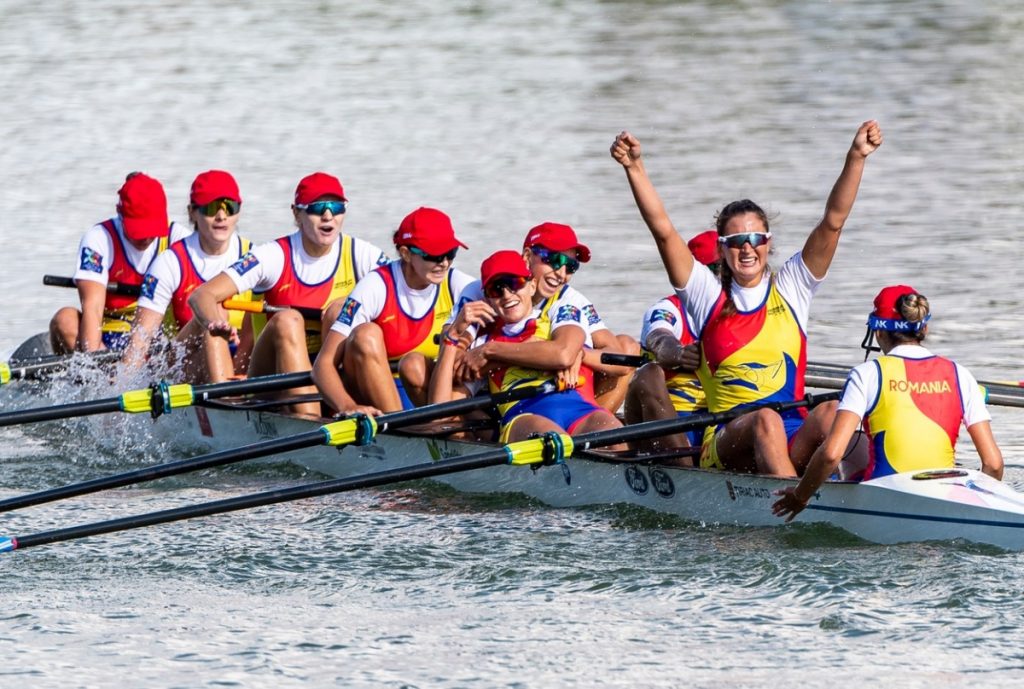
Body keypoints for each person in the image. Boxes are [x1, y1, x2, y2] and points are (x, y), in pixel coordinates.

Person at [611, 120, 883, 476]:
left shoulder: (793, 288)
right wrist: (635, 168)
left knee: (834, 410)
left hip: (791, 430)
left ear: (768, 244)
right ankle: (793, 507)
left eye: (756, 239)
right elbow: (663, 231)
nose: (748, 248)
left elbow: (833, 222)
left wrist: (856, 157)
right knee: (765, 421)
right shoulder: (705, 296)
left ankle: (863, 489)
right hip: (727, 437)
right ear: (722, 250)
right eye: (736, 242)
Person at [772, 285, 1004, 521]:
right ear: (924, 327)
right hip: (944, 500)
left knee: (848, 453)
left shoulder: (867, 374)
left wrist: (799, 497)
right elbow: (993, 464)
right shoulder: (960, 374)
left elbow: (832, 454)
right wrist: (979, 514)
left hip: (882, 504)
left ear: (878, 332)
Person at [188, 171, 388, 415]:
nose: (328, 215)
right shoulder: (272, 255)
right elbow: (202, 295)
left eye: (336, 207)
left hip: (334, 377)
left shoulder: (362, 254)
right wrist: (214, 323)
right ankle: (310, 420)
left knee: (340, 311)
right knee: (288, 320)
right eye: (317, 208)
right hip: (272, 377)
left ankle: (356, 408)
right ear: (296, 213)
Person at [430, 250, 625, 448]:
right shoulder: (481, 345)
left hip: (581, 412)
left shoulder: (563, 315)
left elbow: (563, 355)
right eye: (496, 290)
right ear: (488, 300)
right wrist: (452, 336)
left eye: (515, 284)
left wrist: (500, 355)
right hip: (524, 419)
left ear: (532, 286)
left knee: (615, 435)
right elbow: (440, 414)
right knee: (553, 440)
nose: (507, 295)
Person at [452, 222, 640, 412]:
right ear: (527, 256)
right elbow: (454, 357)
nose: (561, 274)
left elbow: (619, 359)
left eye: (571, 266)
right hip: (489, 392)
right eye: (554, 260)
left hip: (549, 391)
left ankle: (591, 424)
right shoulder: (485, 289)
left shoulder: (570, 299)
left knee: (628, 345)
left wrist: (579, 353)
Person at [313, 207, 475, 415]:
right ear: (406, 253)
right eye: (433, 255)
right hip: (373, 396)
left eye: (450, 253)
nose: (443, 263)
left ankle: (430, 427)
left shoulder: (459, 284)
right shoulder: (376, 285)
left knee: (415, 364)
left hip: (423, 392)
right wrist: (348, 406)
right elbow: (323, 365)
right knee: (366, 335)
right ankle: (399, 427)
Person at [124, 170, 256, 383]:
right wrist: (122, 392)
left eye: (230, 207)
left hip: (243, 360)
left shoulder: (255, 257)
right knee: (214, 324)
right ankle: (231, 403)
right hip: (184, 365)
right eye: (212, 208)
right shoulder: (169, 262)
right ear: (192, 213)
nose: (221, 216)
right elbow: (140, 342)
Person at [49, 172, 191, 353]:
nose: (146, 237)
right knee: (64, 319)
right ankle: (91, 375)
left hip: (159, 333)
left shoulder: (179, 238)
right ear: (120, 213)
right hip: (109, 335)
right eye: (139, 229)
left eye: (152, 228)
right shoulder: (99, 239)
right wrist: (96, 365)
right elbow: (92, 308)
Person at [624, 230, 720, 456]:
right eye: (717, 270)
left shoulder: (745, 313)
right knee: (648, 373)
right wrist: (678, 353)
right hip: (669, 422)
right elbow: (659, 337)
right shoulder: (668, 310)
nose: (726, 279)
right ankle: (685, 472)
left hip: (720, 422)